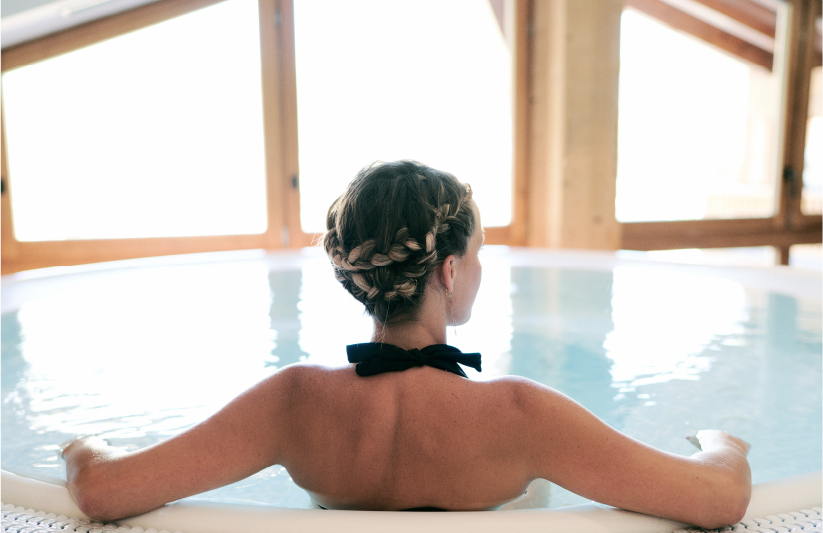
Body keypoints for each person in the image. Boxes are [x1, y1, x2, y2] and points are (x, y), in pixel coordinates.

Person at [62, 160, 752, 528]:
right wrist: (720, 440)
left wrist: (83, 448)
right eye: (477, 254)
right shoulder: (522, 415)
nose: (478, 269)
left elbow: (102, 492)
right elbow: (719, 500)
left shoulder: (292, 403)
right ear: (449, 270)